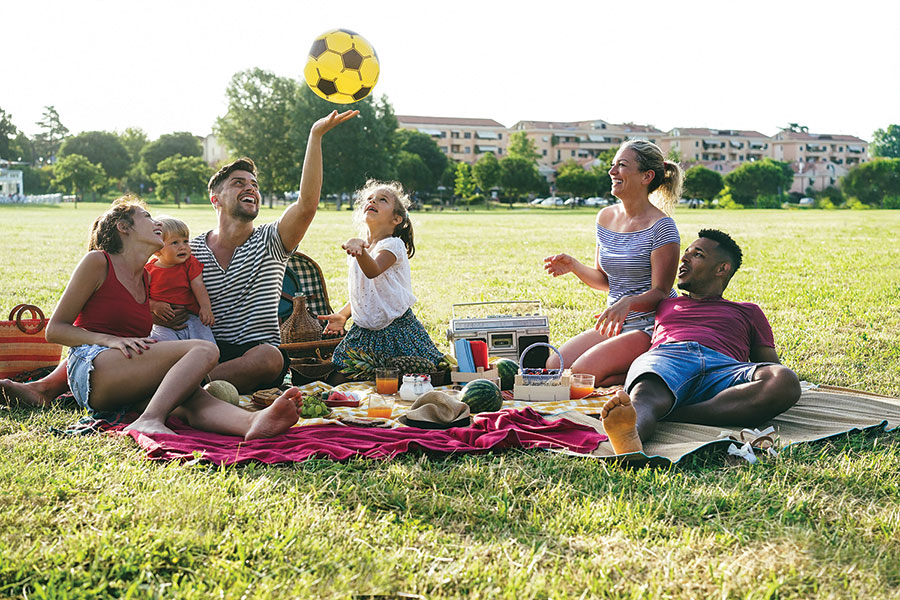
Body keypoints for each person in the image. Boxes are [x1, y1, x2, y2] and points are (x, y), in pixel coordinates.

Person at [0, 109, 358, 406]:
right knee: (138, 338)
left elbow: (308, 204)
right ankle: (50, 386)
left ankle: (154, 391)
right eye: (238, 182)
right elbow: (135, 281)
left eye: (254, 184)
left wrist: (315, 136)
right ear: (215, 198)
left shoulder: (272, 241)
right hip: (194, 344)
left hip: (248, 354)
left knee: (270, 358)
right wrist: (155, 305)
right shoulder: (189, 246)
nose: (251, 187)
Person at [22, 196, 303, 438]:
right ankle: (150, 420)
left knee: (190, 397)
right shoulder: (99, 261)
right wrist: (107, 340)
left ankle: (252, 423)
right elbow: (55, 330)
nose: (157, 223)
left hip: (125, 375)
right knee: (204, 349)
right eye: (147, 216)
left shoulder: (146, 276)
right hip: (92, 366)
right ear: (124, 227)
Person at [600, 229, 802, 454]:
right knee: (646, 392)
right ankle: (630, 434)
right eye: (686, 252)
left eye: (697, 254)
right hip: (669, 358)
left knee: (785, 380)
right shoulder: (664, 303)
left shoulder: (748, 311)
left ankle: (675, 413)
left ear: (721, 269)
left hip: (723, 370)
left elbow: (770, 365)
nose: (684, 259)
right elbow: (622, 283)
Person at [543, 140, 683, 386]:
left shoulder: (663, 227)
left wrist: (627, 304)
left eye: (622, 165)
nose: (612, 171)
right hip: (615, 323)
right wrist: (575, 266)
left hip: (649, 325)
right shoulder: (605, 217)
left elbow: (661, 293)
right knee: (555, 366)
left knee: (580, 376)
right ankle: (630, 371)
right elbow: (606, 281)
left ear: (646, 176)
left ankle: (645, 370)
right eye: (612, 165)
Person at [320, 180, 444, 379]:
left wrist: (359, 251)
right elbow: (368, 292)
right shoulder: (361, 249)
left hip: (397, 331)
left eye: (382, 200)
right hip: (364, 333)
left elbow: (373, 270)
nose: (373, 201)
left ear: (397, 219)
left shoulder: (393, 245)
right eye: (369, 199)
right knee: (338, 378)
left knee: (416, 378)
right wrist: (343, 315)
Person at [145, 216, 216, 343]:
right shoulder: (148, 271)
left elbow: (198, 284)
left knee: (206, 344)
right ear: (156, 250)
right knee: (164, 347)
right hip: (162, 322)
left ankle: (209, 361)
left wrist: (205, 307)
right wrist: (154, 305)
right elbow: (140, 297)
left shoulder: (189, 263)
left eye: (185, 241)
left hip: (191, 316)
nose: (182, 247)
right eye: (175, 243)